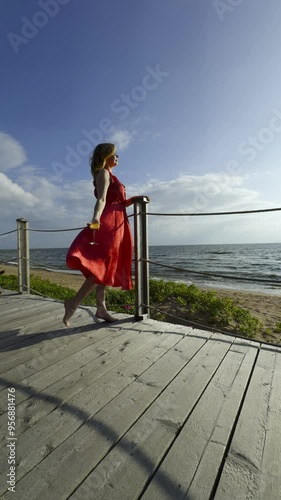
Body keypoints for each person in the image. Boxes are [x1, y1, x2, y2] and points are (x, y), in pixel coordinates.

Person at [63, 143, 139, 327]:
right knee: (101, 268)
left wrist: (133, 200)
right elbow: (102, 199)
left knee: (107, 266)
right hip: (109, 224)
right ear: (106, 156)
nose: (118, 157)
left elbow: (118, 202)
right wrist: (96, 218)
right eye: (115, 154)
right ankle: (73, 304)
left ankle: (101, 308)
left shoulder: (112, 175)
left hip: (119, 223)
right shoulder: (104, 173)